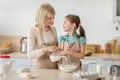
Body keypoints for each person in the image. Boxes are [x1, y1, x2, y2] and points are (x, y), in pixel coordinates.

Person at [27, 3, 58, 69]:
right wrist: (45, 49)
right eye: (50, 18)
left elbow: (56, 47)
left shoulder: (53, 29)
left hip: (55, 66)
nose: (53, 20)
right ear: (42, 18)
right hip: (41, 68)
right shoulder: (32, 30)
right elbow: (30, 54)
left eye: (53, 17)